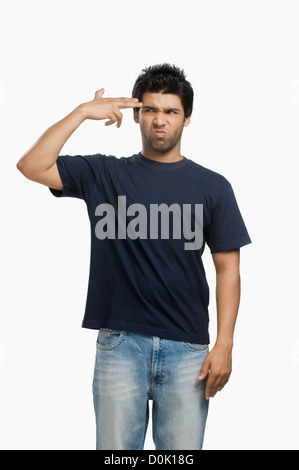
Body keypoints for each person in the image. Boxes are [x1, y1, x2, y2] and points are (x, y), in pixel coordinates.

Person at [17, 64, 251, 450]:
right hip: (120, 345)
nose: (160, 120)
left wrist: (224, 343)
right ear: (137, 114)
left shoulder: (214, 186)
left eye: (171, 111)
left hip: (188, 350)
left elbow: (228, 269)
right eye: (151, 110)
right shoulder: (103, 173)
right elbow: (31, 165)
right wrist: (80, 113)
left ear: (187, 119)